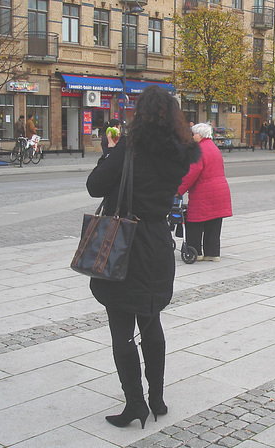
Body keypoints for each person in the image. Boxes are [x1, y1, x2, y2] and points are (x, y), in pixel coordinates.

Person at [86, 85, 201, 429]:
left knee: (121, 328)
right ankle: (158, 398)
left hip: (125, 244)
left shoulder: (129, 147)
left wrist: (109, 152)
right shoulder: (179, 153)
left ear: (141, 114)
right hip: (157, 243)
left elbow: (95, 186)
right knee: (151, 321)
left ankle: (135, 402)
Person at [178, 123, 232, 262]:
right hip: (220, 191)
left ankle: (195, 251)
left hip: (204, 193)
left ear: (200, 135)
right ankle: (212, 253)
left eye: (193, 134)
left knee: (195, 222)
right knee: (213, 224)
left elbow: (191, 174)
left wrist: (178, 190)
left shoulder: (199, 150)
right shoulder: (213, 147)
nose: (192, 136)